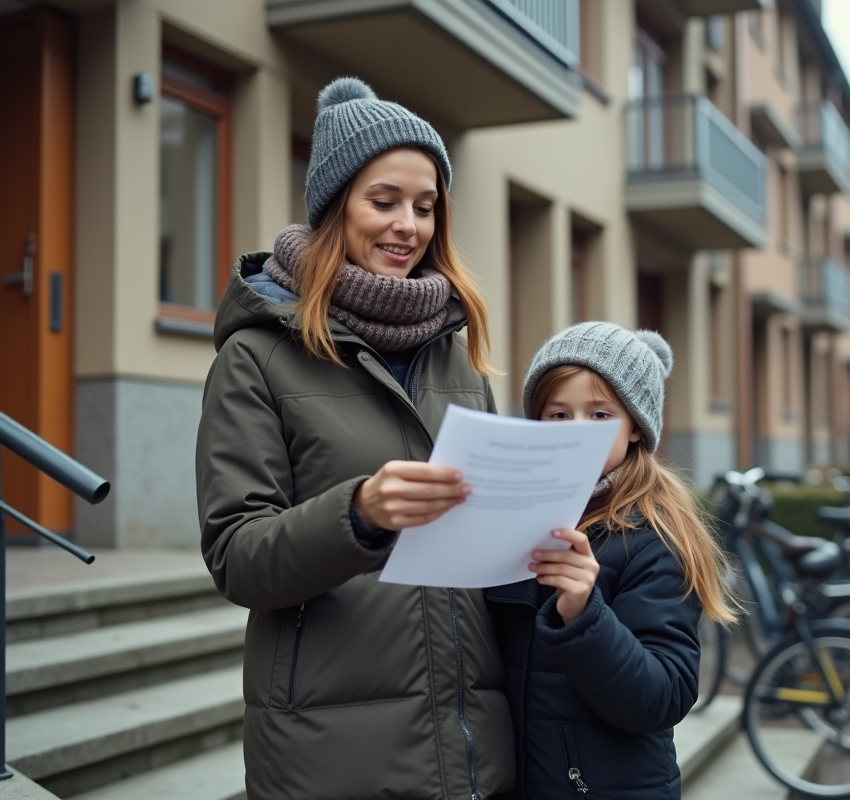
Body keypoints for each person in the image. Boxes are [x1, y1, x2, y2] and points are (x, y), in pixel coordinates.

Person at [196, 77, 514, 800]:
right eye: (385, 201)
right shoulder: (256, 358)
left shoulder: (456, 357)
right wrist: (358, 514)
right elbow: (237, 557)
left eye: (426, 207)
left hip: (474, 751)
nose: (409, 225)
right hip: (331, 755)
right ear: (335, 207)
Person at [485, 321, 738, 800]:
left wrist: (585, 616)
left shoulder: (654, 536)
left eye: (599, 415)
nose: (577, 432)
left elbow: (663, 696)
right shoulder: (520, 517)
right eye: (558, 416)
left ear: (636, 428)